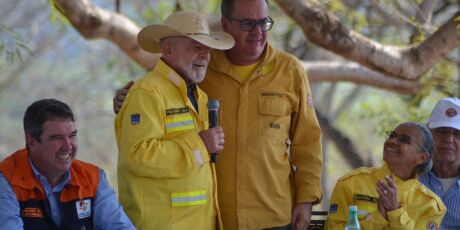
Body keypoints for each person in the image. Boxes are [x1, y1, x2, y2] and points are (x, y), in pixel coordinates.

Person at [114, 0, 323, 229]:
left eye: (264, 22)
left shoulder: (290, 71)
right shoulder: (199, 71)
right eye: (247, 23)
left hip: (274, 216)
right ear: (226, 24)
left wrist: (306, 199)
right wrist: (127, 100)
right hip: (219, 218)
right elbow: (157, 97)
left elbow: (308, 141)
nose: (258, 32)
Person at [114, 11, 234, 230]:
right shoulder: (147, 92)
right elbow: (136, 155)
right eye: (195, 46)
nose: (204, 54)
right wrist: (200, 145)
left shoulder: (200, 95)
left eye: (207, 47)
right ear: (167, 49)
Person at [0, 98, 135, 230]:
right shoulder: (6, 180)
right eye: (57, 138)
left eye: (72, 136)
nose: (68, 146)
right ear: (32, 142)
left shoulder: (92, 178)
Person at [326, 122, 446, 229]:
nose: (392, 141)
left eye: (404, 140)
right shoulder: (351, 183)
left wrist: (395, 212)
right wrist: (378, 219)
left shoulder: (430, 205)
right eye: (392, 136)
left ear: (422, 157)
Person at [419, 97, 460, 229]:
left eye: (457, 133)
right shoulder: (411, 176)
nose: (449, 139)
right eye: (442, 131)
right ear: (428, 134)